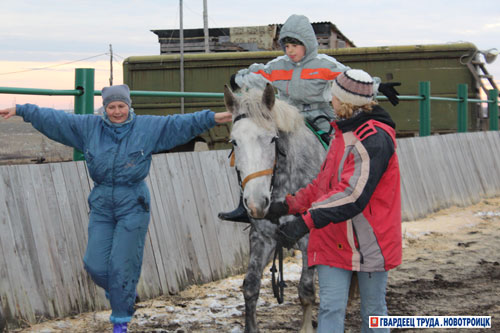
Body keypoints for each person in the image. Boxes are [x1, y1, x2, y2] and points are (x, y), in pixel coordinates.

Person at [0, 84, 232, 333]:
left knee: (122, 265)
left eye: (121, 106)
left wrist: (215, 118)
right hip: (101, 203)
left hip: (133, 203)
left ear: (129, 105)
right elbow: (57, 119)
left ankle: (120, 323)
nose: (117, 111)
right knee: (94, 264)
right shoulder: (90, 128)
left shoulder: (147, 127)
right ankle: (123, 294)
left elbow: (179, 123)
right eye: (111, 106)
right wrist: (22, 109)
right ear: (105, 108)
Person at [218, 14, 400, 223]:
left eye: (295, 45)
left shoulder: (324, 64)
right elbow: (258, 75)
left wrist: (378, 86)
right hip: (287, 117)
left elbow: (349, 79)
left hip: (319, 116)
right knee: (251, 150)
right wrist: (238, 79)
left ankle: (339, 192)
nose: (290, 50)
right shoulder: (278, 66)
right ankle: (245, 205)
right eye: (286, 46)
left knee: (336, 148)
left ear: (308, 43)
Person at [267, 69, 402, 333]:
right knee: (330, 308)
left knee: (374, 313)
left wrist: (304, 222)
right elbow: (324, 184)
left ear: (346, 101)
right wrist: (288, 205)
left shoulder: (374, 139)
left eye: (335, 97)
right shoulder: (342, 133)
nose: (331, 102)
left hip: (370, 242)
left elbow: (352, 195)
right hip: (332, 239)